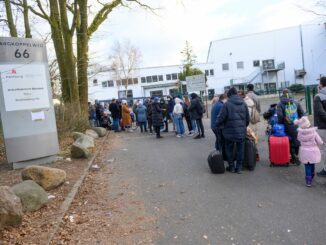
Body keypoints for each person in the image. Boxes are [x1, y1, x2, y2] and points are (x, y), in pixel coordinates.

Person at [216, 87, 250, 174]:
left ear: (229, 95)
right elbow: (247, 118)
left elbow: (220, 118)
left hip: (228, 132)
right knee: (240, 149)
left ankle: (231, 167)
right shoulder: (243, 103)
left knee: (229, 149)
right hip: (241, 131)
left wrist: (218, 125)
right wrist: (243, 126)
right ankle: (239, 168)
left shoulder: (226, 104)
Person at [277, 89, 304, 165]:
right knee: (297, 140)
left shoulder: (280, 103)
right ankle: (296, 156)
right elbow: (302, 113)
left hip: (287, 125)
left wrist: (280, 124)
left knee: (289, 140)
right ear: (290, 93)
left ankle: (293, 156)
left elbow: (280, 116)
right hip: (297, 124)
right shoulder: (296, 102)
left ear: (282, 94)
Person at [294, 116, 323, 187]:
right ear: (309, 124)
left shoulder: (299, 133)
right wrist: (321, 143)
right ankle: (312, 175)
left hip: (304, 152)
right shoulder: (314, 133)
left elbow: (298, 139)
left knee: (307, 166)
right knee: (312, 164)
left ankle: (308, 181)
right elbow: (319, 142)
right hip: (313, 151)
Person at [313, 76, 326, 177]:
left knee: (323, 148)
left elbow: (320, 113)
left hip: (322, 127)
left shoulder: (318, 96)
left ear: (321, 84)